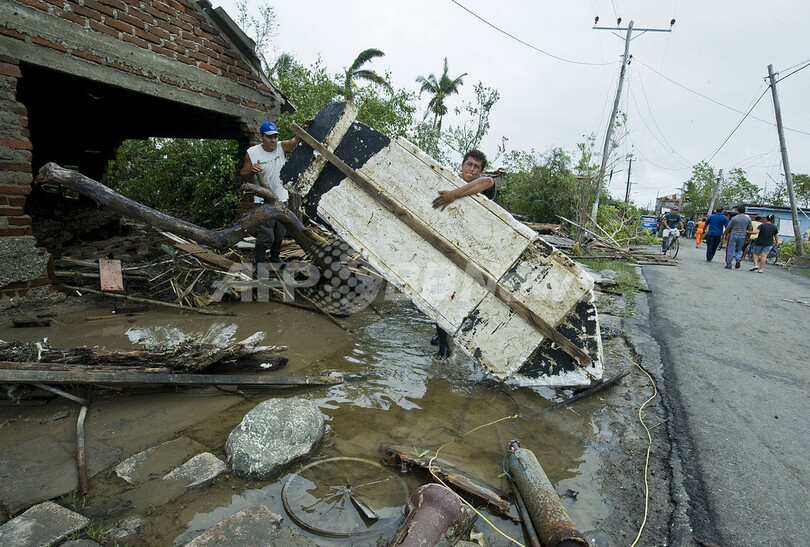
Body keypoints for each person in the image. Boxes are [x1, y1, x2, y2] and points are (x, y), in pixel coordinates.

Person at [429, 149, 496, 360]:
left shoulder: (482, 189)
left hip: (469, 251)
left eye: (477, 167)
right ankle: (442, 341)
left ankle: (448, 338)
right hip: (444, 245)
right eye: (469, 164)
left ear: (480, 171)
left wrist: (453, 195)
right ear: (462, 165)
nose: (472, 170)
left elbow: (487, 182)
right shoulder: (447, 182)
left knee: (458, 296)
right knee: (438, 293)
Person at [239, 120, 307, 270]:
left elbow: (295, 141)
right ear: (261, 137)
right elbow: (243, 173)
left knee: (279, 232)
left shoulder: (281, 147)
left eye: (275, 136)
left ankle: (275, 258)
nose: (273, 140)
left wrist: (305, 128)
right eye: (269, 137)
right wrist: (251, 170)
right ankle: (260, 263)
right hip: (263, 201)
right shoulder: (252, 152)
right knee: (267, 234)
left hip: (281, 198)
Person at [723, 205, 752, 269]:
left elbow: (728, 227)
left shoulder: (734, 218)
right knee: (739, 249)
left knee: (730, 249)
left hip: (733, 235)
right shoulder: (748, 219)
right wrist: (748, 237)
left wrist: (724, 234)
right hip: (742, 236)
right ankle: (738, 258)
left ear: (738, 211)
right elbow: (750, 228)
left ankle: (729, 264)